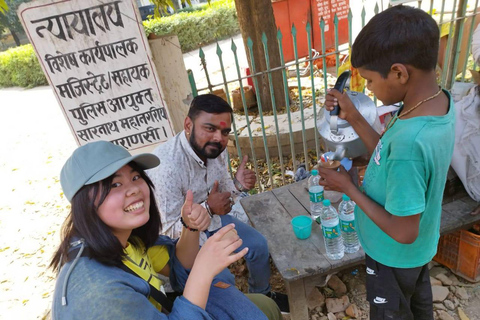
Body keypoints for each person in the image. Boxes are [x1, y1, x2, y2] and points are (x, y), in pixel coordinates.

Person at [319, 5, 455, 320]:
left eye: (368, 80)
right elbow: (387, 150)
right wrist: (351, 115)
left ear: (398, 72)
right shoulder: (434, 104)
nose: (367, 89)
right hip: (417, 252)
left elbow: (404, 230)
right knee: (416, 307)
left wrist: (348, 188)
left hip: (393, 254)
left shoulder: (410, 141)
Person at [50, 140, 282, 320]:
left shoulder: (127, 239)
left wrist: (190, 227)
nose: (134, 190)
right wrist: (204, 268)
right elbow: (193, 274)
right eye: (115, 185)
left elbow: (176, 267)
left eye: (136, 177)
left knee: (266, 306)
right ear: (85, 203)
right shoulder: (101, 295)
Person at [147, 94, 289, 313]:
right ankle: (231, 308)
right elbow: (167, 231)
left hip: (213, 222)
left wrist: (237, 186)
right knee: (222, 279)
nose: (218, 138)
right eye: (209, 128)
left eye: (224, 132)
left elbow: (223, 198)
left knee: (259, 245)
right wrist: (208, 209)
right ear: (188, 124)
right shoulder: (166, 167)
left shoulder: (215, 150)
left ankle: (262, 295)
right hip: (183, 245)